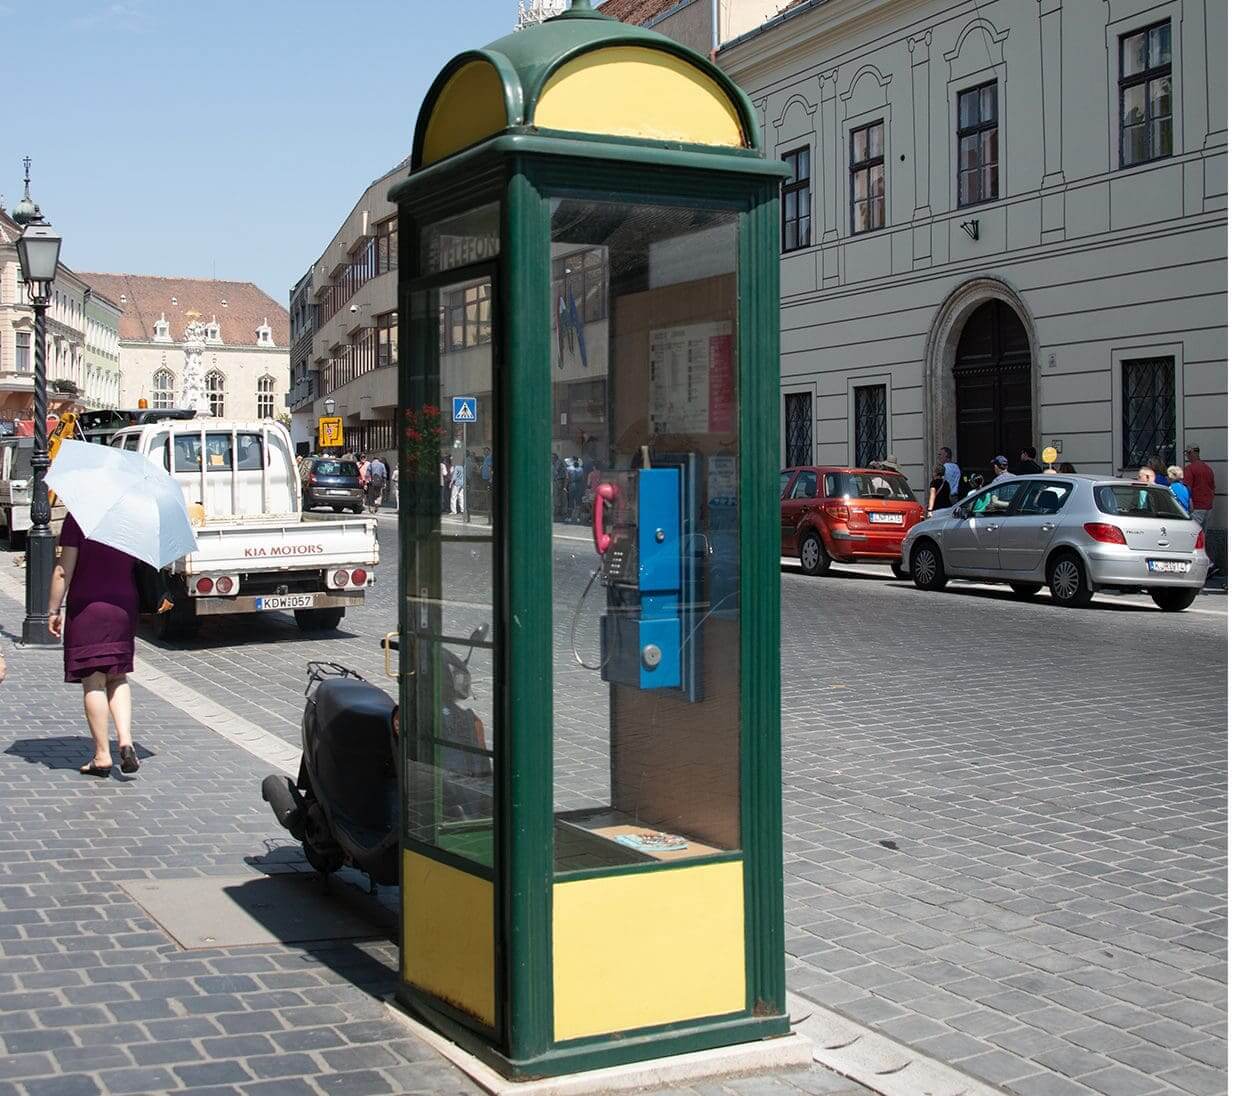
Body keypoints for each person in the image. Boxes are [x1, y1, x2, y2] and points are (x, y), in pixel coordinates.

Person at [48, 513, 141, 778]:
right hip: (124, 605)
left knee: (94, 680)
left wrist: (52, 610)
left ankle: (102, 755)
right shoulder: (130, 517)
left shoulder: (79, 518)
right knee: (118, 676)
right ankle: (125, 741)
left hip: (88, 607)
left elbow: (63, 570)